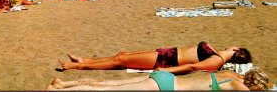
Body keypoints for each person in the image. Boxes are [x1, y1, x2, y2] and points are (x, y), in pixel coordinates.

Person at [59, 41, 252, 74]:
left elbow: (193, 67)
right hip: (167, 53)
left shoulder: (218, 60)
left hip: (167, 61)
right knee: (121, 55)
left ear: (237, 52)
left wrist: (166, 70)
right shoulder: (219, 53)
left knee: (120, 61)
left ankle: (75, 67)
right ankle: (85, 60)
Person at [46, 69, 271, 91]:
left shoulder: (231, 74)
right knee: (104, 90)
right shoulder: (238, 85)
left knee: (107, 84)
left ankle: (64, 84)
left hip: (165, 78)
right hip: (166, 86)